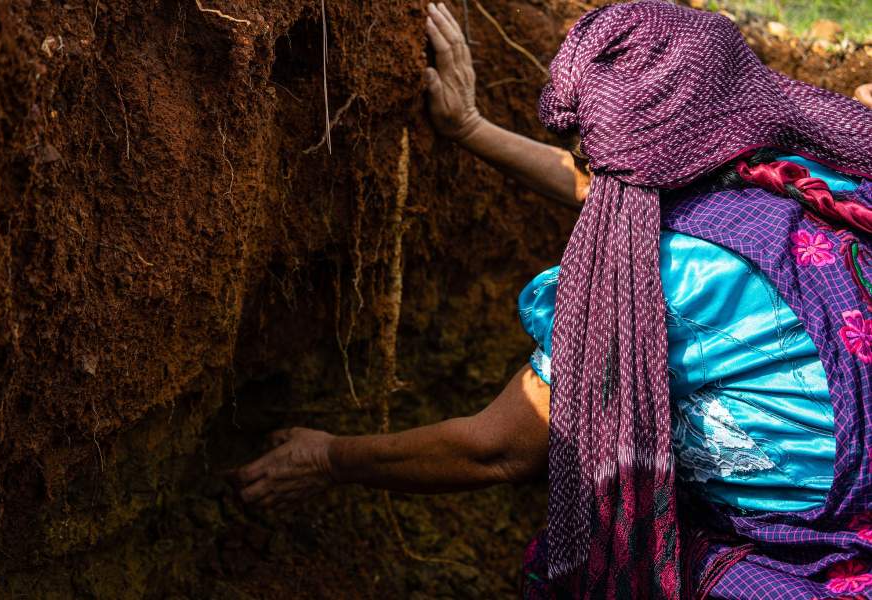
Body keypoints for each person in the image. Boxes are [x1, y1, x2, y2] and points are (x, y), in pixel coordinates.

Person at [231, 2, 872, 597]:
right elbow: (621, 189)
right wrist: (471, 128)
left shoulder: (663, 280)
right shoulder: (815, 176)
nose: (593, 165)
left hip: (820, 562)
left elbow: (496, 449)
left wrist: (329, 458)